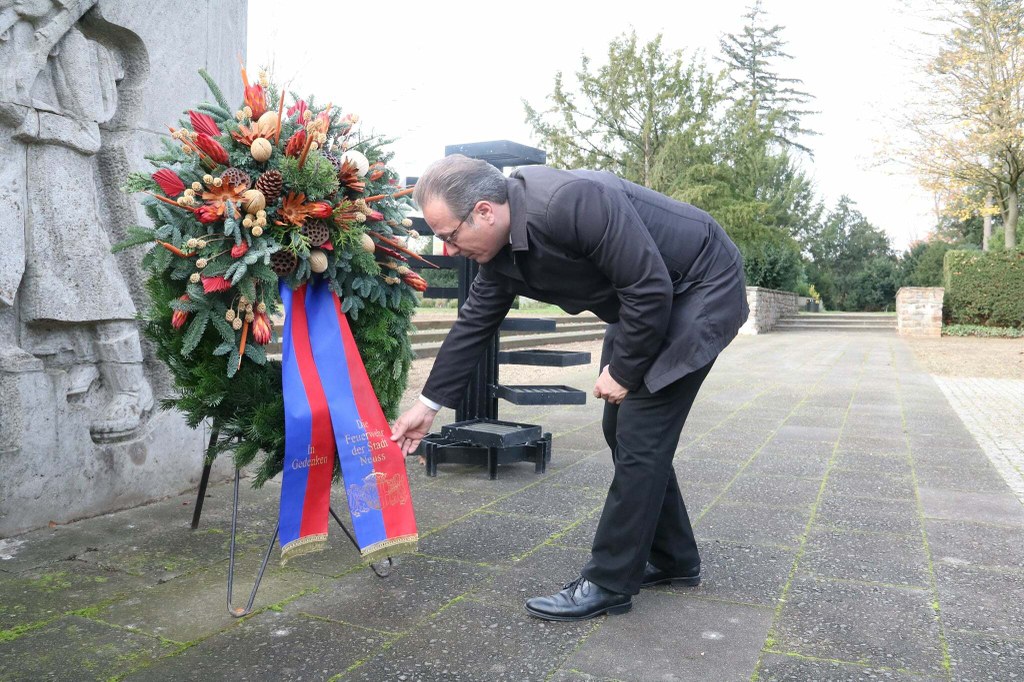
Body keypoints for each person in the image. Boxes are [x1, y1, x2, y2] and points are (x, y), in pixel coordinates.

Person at [390, 155, 749, 622]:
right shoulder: (498, 250)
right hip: (645, 296)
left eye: (448, 236)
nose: (450, 251)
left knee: (641, 435)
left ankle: (609, 582)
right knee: (618, 429)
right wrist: (427, 404)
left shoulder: (568, 202)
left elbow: (648, 285)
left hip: (699, 284)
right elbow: (475, 321)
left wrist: (623, 371)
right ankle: (674, 557)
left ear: (484, 211)